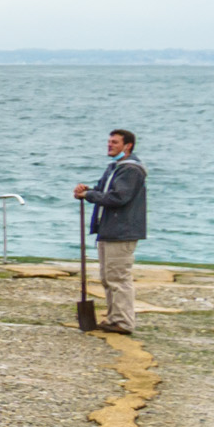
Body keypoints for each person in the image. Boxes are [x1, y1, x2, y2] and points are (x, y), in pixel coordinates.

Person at [74, 128, 148, 334]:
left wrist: (89, 196)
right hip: (108, 229)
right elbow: (102, 191)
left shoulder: (131, 170)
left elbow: (118, 197)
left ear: (128, 146)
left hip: (122, 231)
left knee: (118, 277)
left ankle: (124, 322)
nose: (110, 145)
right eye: (109, 141)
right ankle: (114, 318)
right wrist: (87, 191)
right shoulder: (114, 167)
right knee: (108, 277)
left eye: (115, 142)